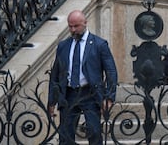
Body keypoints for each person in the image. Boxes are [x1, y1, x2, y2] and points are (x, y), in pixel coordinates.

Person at [48, 10, 118, 144]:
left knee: (94, 132)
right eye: (70, 26)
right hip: (68, 94)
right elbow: (55, 75)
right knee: (65, 135)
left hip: (90, 94)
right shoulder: (63, 46)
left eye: (76, 26)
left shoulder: (99, 44)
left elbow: (111, 71)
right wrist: (52, 101)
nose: (73, 30)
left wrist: (109, 97)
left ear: (85, 23)